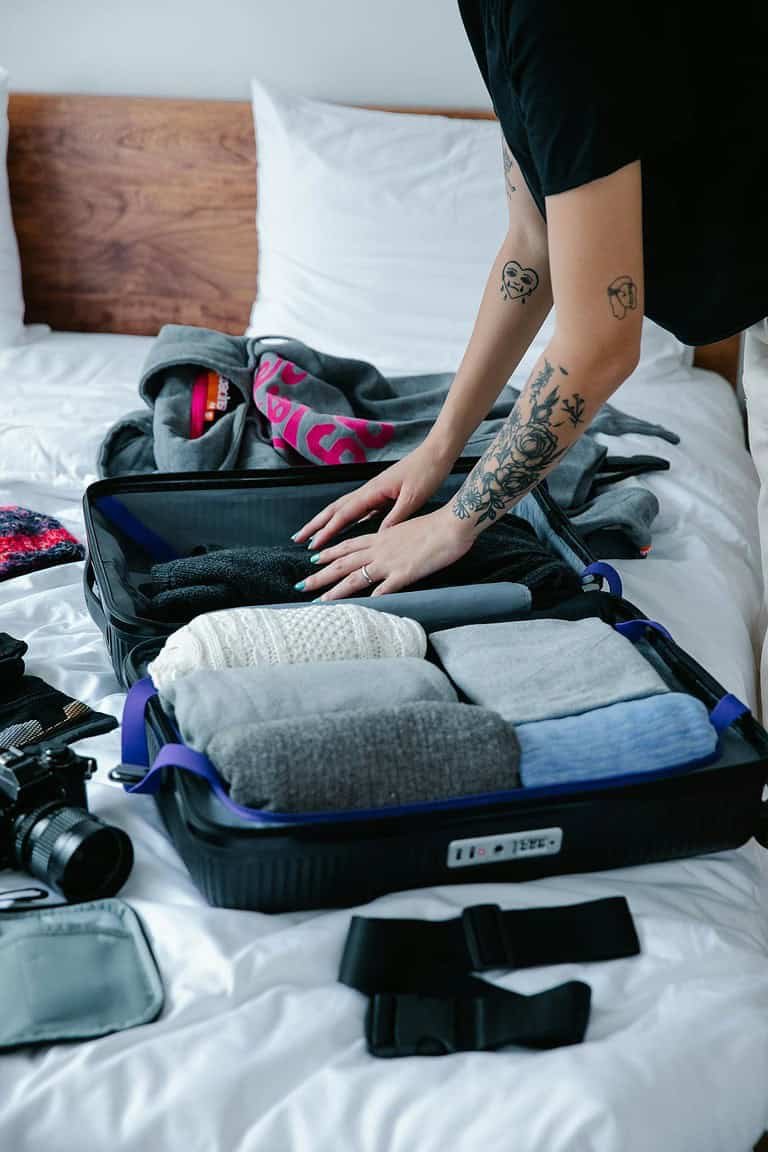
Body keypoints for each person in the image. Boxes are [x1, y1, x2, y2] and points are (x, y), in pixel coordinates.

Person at [292, 2, 768, 662]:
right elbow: (533, 239)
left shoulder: (559, 21)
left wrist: (455, 524)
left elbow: (599, 343)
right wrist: (438, 452)